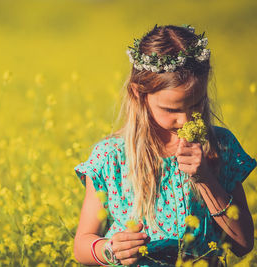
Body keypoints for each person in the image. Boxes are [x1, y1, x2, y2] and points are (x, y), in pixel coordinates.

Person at [72, 24, 256, 267]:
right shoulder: (111, 156)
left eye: (197, 104)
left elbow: (243, 244)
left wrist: (205, 178)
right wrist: (110, 250)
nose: (186, 119)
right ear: (138, 94)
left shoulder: (219, 146)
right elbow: (81, 244)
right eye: (172, 109)